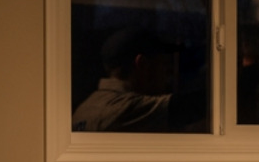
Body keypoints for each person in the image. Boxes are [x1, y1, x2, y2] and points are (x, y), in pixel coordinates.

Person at [72, 29, 203, 132]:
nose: (168, 74)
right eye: (164, 64)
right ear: (142, 64)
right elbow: (188, 107)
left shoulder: (84, 107)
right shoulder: (123, 108)